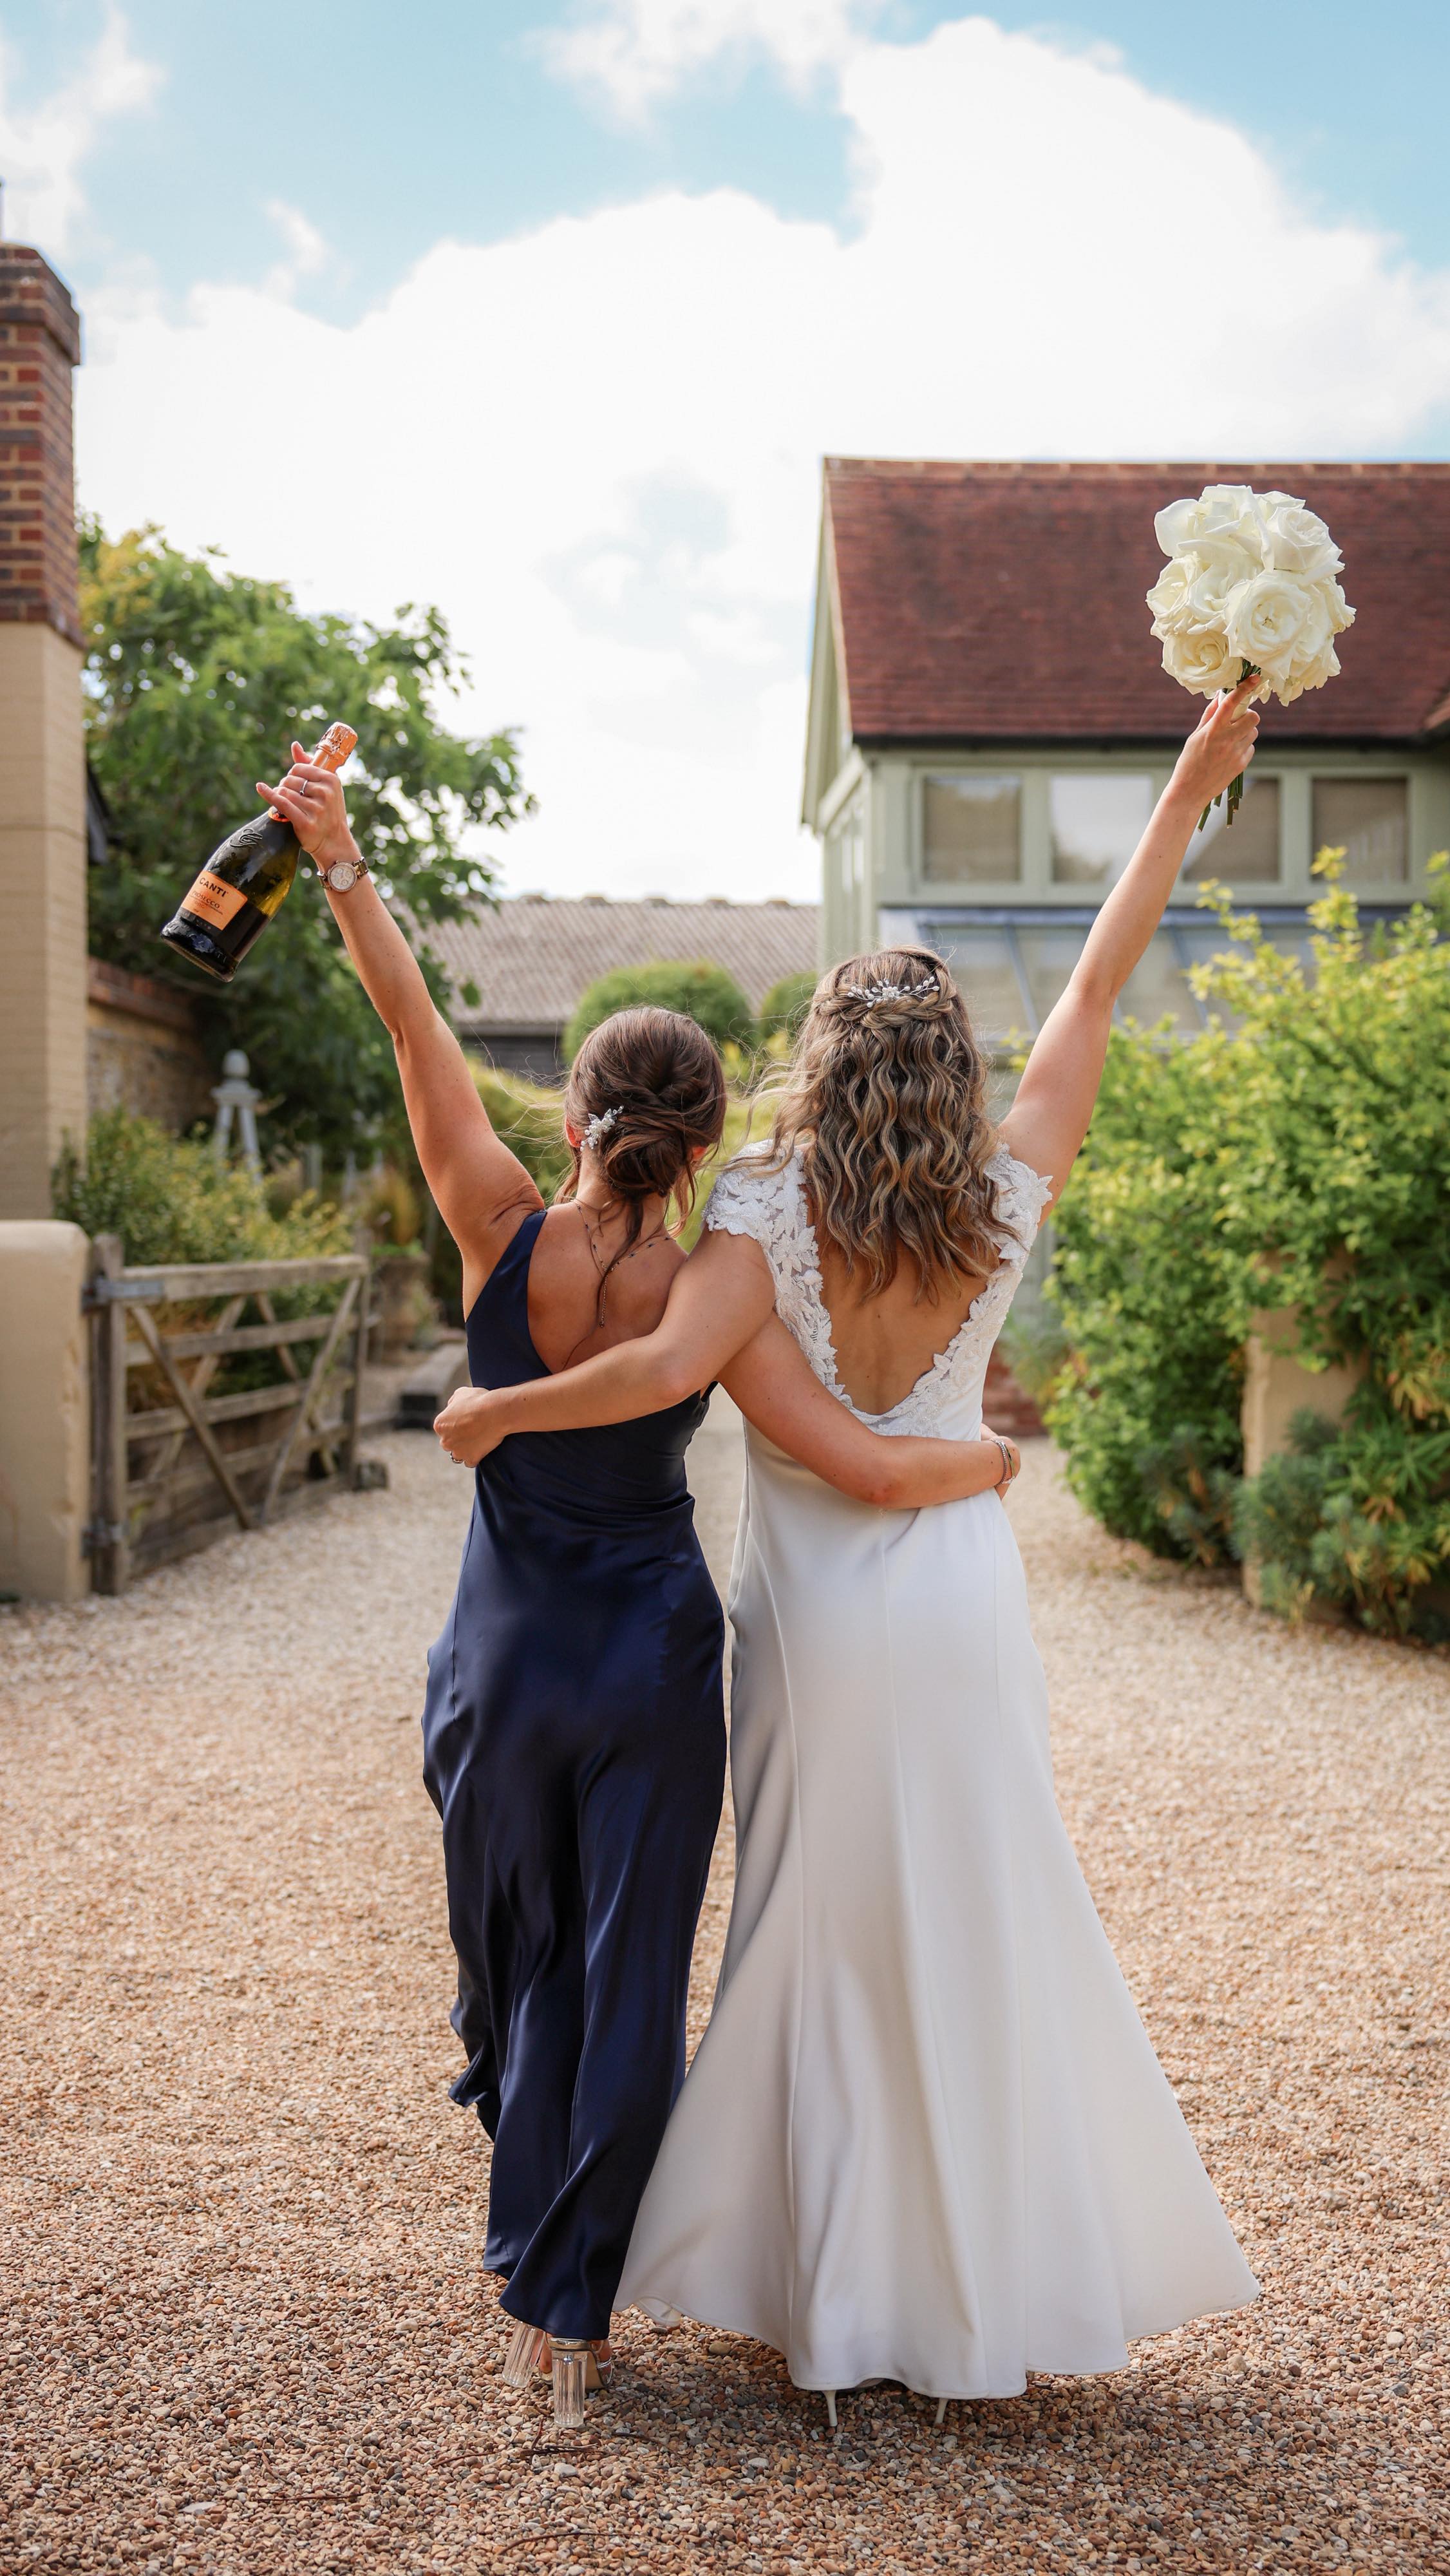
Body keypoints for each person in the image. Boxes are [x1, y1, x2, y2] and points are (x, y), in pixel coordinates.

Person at [426, 680, 1265, 2417]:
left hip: (808, 1615)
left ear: (816, 1062)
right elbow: (1100, 981)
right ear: (955, 1070)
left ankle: (809, 2293)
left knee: (807, 1929)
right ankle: (979, 2290)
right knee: (978, 1915)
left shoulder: (749, 1210)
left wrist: (501, 1409)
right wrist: (1186, 785)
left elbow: (663, 1365)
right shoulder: (1012, 1185)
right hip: (954, 1608)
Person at [255, 744, 1032, 2427]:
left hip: (506, 1665)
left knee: (523, 1964)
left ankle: (532, 2265)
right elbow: (765, 1414)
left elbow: (409, 1027)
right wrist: (968, 1465)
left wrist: (337, 862)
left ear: (577, 1115)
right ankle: (575, 2304)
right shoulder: (726, 1272)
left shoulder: (491, 1222)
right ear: (696, 1143)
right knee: (629, 1974)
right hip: (658, 1659)